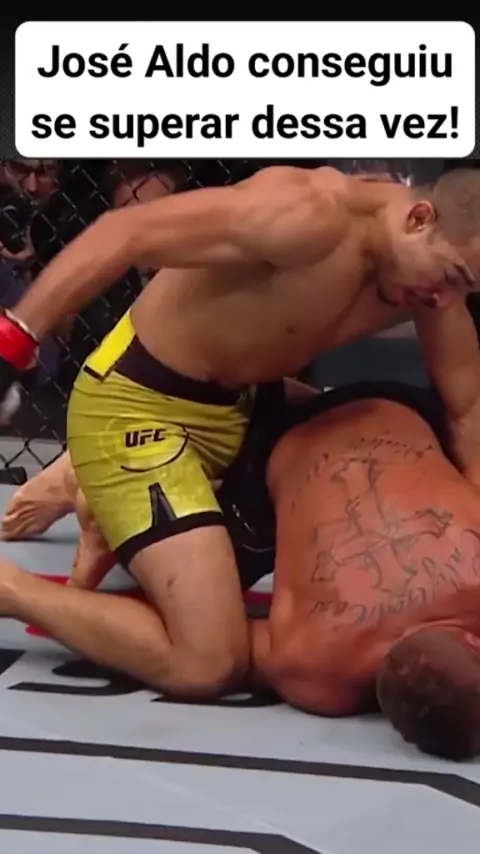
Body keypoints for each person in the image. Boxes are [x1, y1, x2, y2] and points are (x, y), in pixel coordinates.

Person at [0, 165, 477, 699]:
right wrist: (12, 342)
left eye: (466, 287)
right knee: (207, 662)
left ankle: (87, 487)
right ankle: (11, 586)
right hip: (140, 411)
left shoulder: (428, 286)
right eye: (452, 275)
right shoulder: (308, 215)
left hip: (243, 405)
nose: (444, 300)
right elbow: (126, 231)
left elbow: (467, 408)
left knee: (366, 434)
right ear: (418, 218)